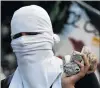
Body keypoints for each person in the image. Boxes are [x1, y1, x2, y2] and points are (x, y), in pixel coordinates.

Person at [7, 5, 98, 88]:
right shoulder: (6, 84)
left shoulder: (79, 74)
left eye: (32, 33)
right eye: (17, 36)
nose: (23, 41)